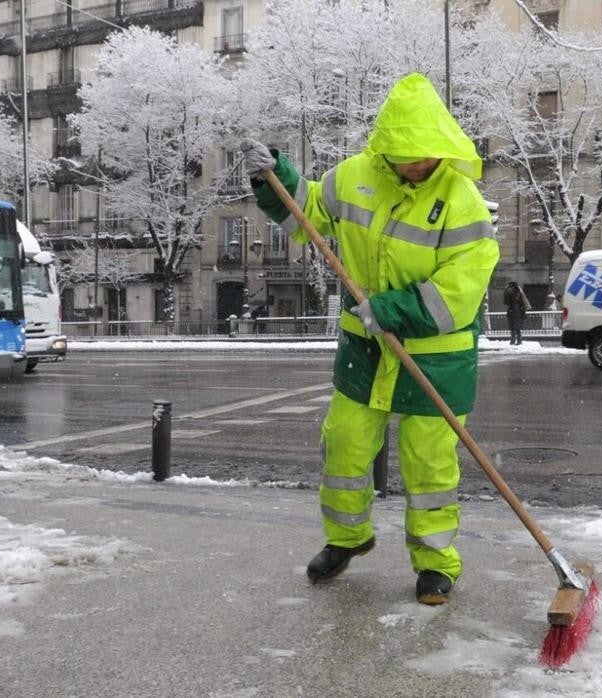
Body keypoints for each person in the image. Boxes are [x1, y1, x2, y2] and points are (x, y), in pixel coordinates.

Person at [240, 73, 499, 606]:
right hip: (365, 349)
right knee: (345, 446)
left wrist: (390, 308)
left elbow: (460, 290)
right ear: (385, 146)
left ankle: (435, 564)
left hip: (436, 356)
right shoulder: (354, 176)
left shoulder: (461, 202)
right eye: (406, 153)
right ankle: (347, 539)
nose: (417, 163)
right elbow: (308, 212)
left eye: (426, 153)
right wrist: (276, 180)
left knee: (429, 466)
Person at [503, 280, 531, 345]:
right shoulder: (519, 291)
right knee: (518, 328)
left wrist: (506, 291)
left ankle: (512, 341)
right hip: (520, 311)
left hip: (512, 311)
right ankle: (519, 341)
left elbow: (506, 302)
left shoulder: (509, 291)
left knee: (512, 327)